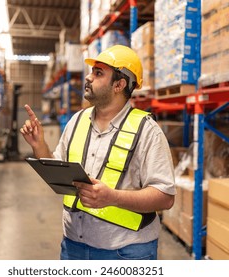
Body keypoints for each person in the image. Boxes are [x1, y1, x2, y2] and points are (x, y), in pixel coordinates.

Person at [20, 45, 176, 260]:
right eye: (92, 71)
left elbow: (165, 196)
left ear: (119, 85)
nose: (89, 77)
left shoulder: (147, 130)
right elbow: (58, 168)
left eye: (98, 73)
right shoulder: (77, 121)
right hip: (73, 245)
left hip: (126, 252)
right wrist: (39, 146)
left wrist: (113, 197)